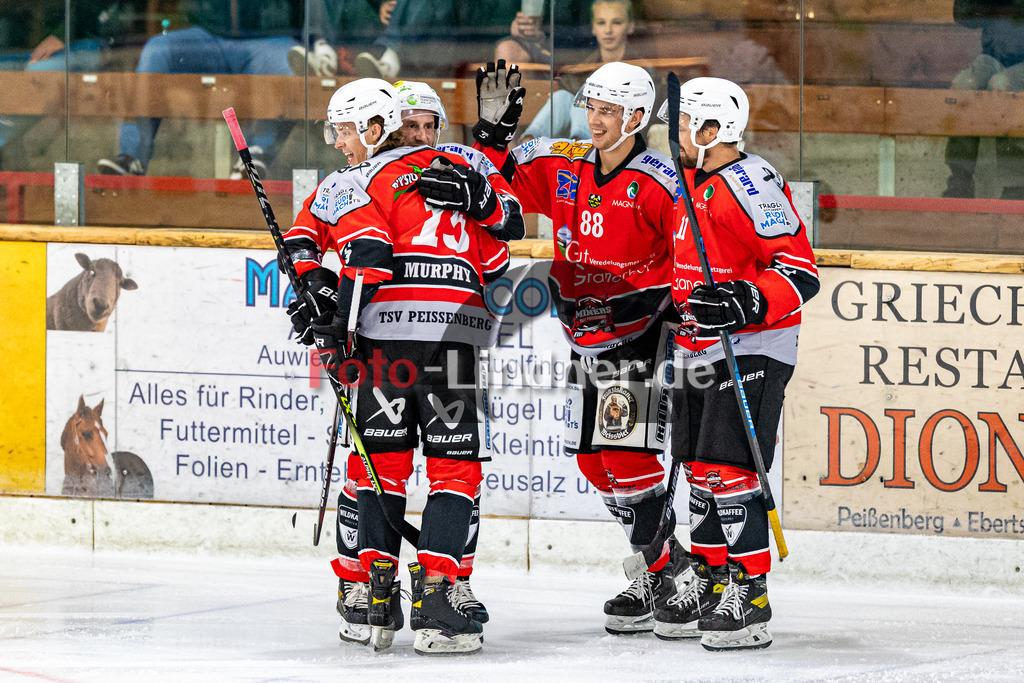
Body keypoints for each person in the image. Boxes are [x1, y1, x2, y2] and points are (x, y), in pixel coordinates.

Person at [282, 78, 522, 654]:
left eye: (344, 130)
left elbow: (348, 253)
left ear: (373, 128)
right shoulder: (463, 166)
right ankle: (436, 601)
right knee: (454, 471)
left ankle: (375, 597)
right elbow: (499, 253)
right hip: (456, 338)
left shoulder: (351, 181)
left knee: (378, 470)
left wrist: (330, 313)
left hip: (384, 340)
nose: (338, 142)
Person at [471, 59, 685, 635]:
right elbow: (491, 186)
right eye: (592, 106)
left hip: (642, 334)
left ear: (636, 117)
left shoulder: (662, 182)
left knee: (627, 458)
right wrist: (492, 136)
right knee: (593, 461)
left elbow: (691, 257)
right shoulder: (564, 164)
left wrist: (679, 312)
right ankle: (666, 565)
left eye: (609, 111)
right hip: (585, 337)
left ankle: (668, 574)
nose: (595, 119)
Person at [652, 77, 819, 650]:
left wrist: (746, 300)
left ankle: (751, 594)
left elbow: (800, 270)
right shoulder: (688, 181)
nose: (672, 135)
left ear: (713, 129)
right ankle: (711, 576)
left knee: (730, 470)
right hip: (696, 346)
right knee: (699, 471)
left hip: (752, 346)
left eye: (681, 125)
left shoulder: (751, 182)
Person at [97, 0, 301, 179]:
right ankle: (131, 157)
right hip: (208, 34)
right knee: (156, 52)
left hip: (266, 38)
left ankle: (256, 155)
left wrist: (313, 37)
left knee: (292, 66)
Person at [518, 0, 641, 141]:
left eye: (616, 22)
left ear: (630, 26)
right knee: (563, 97)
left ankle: (581, 147)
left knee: (583, 103)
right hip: (583, 138)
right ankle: (529, 143)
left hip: (617, 141)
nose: (608, 30)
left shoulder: (642, 72)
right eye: (601, 23)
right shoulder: (582, 70)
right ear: (593, 27)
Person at [943, 0, 1024, 199]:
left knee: (1002, 85)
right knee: (963, 85)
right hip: (993, 57)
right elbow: (963, 15)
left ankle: (1016, 187)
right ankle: (960, 182)